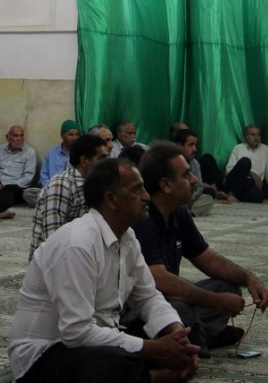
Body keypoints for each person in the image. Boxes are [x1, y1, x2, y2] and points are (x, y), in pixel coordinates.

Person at [10, 158, 199, 383]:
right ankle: (156, 376)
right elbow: (77, 333)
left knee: (180, 321)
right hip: (46, 354)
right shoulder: (78, 244)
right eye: (137, 190)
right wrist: (153, 349)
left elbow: (148, 297)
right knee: (112, 363)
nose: (147, 197)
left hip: (97, 341)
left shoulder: (128, 238)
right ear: (111, 200)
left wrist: (176, 335)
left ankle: (152, 369)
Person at [133, 143, 268, 357]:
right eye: (186, 175)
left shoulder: (178, 214)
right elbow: (159, 281)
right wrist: (215, 301)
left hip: (171, 299)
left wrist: (249, 279)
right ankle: (198, 339)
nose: (194, 180)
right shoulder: (143, 219)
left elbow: (207, 258)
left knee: (227, 288)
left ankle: (198, 335)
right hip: (144, 306)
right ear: (166, 184)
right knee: (180, 310)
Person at [29, 134, 109, 259]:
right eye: (102, 158)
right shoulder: (61, 185)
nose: (107, 164)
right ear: (84, 161)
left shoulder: (97, 185)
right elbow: (53, 240)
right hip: (54, 262)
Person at [224, 124, 268, 203]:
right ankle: (231, 193)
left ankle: (231, 195)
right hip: (235, 182)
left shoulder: (265, 150)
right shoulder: (238, 148)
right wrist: (251, 173)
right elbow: (229, 170)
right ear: (246, 137)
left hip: (250, 185)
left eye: (258, 135)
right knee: (245, 161)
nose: (256, 137)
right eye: (253, 135)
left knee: (258, 196)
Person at [0, 124, 38, 205]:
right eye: (15, 136)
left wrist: (4, 185)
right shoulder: (0, 149)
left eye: (21, 136)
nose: (19, 139)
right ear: (7, 137)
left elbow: (28, 178)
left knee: (13, 192)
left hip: (13, 187)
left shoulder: (30, 152)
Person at [173, 129, 216, 216]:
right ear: (179, 146)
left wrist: (191, 197)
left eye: (195, 145)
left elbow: (199, 187)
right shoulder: (170, 162)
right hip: (174, 199)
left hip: (189, 199)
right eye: (190, 145)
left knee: (207, 199)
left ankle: (187, 213)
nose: (194, 149)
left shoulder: (195, 163)